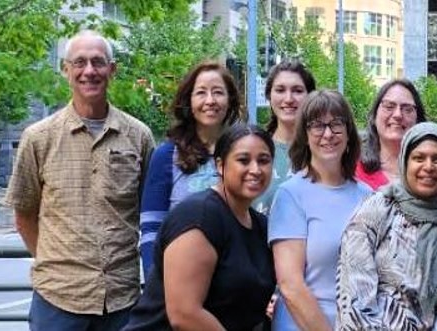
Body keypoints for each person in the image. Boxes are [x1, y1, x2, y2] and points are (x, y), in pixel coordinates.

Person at [4, 30, 155, 331]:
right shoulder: (38, 138)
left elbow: (148, 213)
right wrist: (58, 266)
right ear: (65, 70)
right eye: (79, 62)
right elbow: (24, 215)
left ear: (112, 70)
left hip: (121, 301)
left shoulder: (139, 136)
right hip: (57, 301)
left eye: (98, 62)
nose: (89, 71)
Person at [123, 125, 277, 330]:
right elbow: (184, 314)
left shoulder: (261, 226)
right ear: (220, 165)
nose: (255, 170)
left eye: (264, 161)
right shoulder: (199, 216)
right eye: (243, 160)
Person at [337, 122, 437, 330]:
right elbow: (354, 298)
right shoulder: (378, 208)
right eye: (419, 158)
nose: (428, 167)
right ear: (405, 162)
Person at [268, 90, 373, 330]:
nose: (328, 134)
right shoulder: (290, 195)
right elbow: (291, 285)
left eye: (336, 124)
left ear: (349, 133)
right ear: (305, 135)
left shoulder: (368, 196)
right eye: (317, 125)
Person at [140, 61, 245, 279]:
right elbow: (151, 227)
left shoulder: (243, 154)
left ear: (230, 100)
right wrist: (157, 281)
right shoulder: (166, 155)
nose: (210, 100)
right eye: (201, 93)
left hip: (234, 279)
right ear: (189, 100)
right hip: (180, 279)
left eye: (218, 92)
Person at [254, 61, 317, 213]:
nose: (288, 99)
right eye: (280, 90)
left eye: (297, 91)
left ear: (310, 96)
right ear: (269, 96)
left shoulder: (323, 151)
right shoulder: (254, 149)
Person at [357, 79, 429, 190]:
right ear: (374, 115)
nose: (398, 115)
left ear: (418, 119)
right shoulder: (352, 171)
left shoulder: (430, 171)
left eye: (407, 109)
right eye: (389, 107)